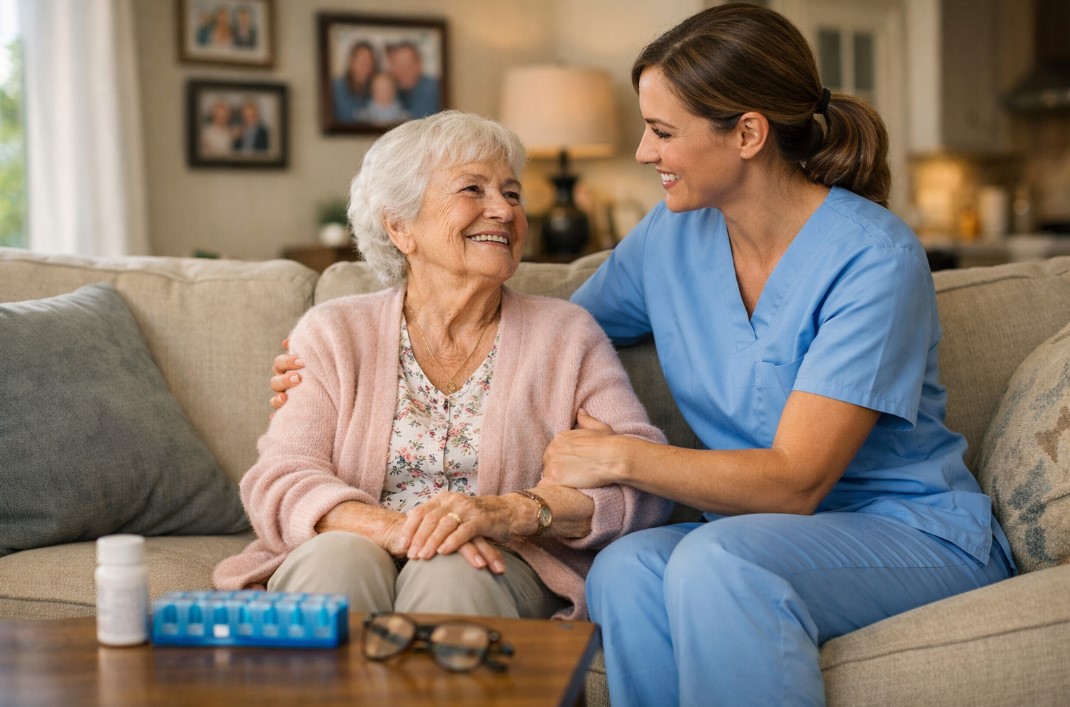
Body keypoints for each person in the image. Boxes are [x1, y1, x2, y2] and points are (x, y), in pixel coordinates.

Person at [272, 6, 1016, 703]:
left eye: (662, 131)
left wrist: (621, 457)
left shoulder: (872, 259)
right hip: (749, 524)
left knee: (721, 560)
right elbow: (545, 336)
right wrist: (350, 359)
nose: (642, 152)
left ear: (748, 134)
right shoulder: (672, 236)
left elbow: (797, 482)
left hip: (901, 528)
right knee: (625, 569)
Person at [215, 111, 671, 621]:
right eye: (473, 189)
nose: (503, 210)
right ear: (399, 226)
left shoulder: (567, 335)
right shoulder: (334, 332)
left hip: (500, 562)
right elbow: (280, 479)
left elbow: (641, 486)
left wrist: (512, 511)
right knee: (338, 559)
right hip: (356, 543)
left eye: (513, 193)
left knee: (452, 568)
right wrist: (395, 529)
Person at [386, 41, 440, 119]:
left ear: (419, 64)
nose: (403, 71)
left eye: (407, 65)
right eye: (397, 65)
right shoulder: (392, 90)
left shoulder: (433, 89)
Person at [332, 41, 377, 124]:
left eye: (370, 61)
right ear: (351, 62)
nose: (366, 66)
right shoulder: (335, 88)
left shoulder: (376, 88)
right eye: (362, 60)